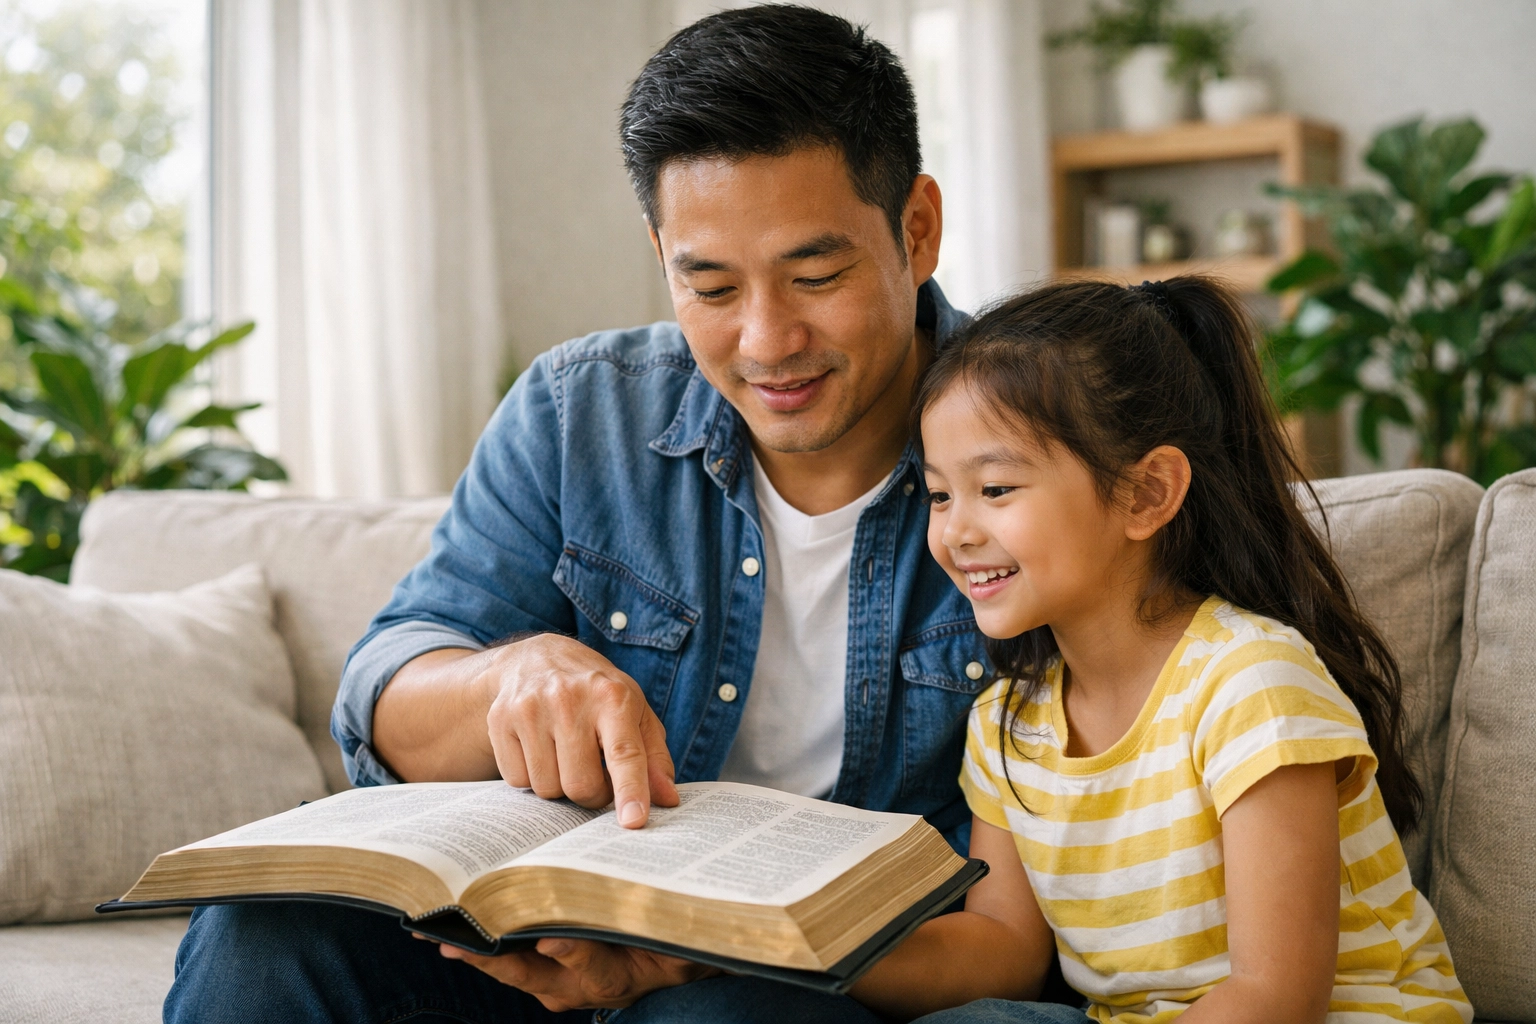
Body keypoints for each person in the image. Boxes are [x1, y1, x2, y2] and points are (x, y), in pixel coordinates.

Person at [165, 6, 1004, 1022]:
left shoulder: (1046, 442)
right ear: (661, 253)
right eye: (709, 285)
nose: (767, 339)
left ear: (916, 227)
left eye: (815, 276)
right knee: (266, 934)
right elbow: (390, 685)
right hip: (561, 956)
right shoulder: (581, 411)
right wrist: (506, 676)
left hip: (828, 989)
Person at [843, 277, 1474, 1023]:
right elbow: (1003, 949)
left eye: (998, 488)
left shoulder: (1251, 684)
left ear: (1146, 495)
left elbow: (1275, 998)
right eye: (941, 495)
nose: (954, 531)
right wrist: (820, 952)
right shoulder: (1007, 723)